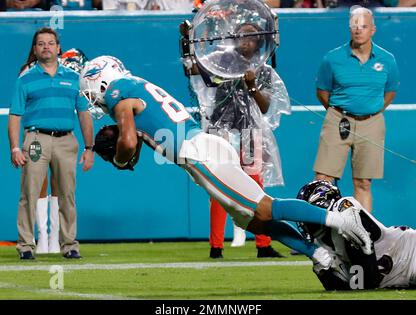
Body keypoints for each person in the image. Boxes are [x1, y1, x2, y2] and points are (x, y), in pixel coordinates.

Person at [80, 55, 373, 270]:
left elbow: (129, 143)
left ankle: (340, 219)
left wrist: (119, 161)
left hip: (200, 154)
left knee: (265, 207)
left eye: (90, 89)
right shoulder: (134, 85)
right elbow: (143, 135)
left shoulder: (118, 91)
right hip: (203, 148)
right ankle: (320, 255)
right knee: (256, 221)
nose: (92, 98)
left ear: (101, 80)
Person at [190, 22, 289, 259]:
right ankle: (216, 247)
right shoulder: (222, 60)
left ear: (259, 41)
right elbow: (195, 69)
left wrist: (252, 86)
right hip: (221, 127)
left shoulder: (263, 70)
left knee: (255, 185)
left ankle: (263, 245)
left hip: (250, 130)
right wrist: (189, 42)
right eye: (241, 36)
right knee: (218, 185)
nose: (245, 41)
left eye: (251, 37)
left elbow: (265, 108)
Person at [8, 27, 94, 260]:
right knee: (29, 193)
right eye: (41, 43)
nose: (46, 47)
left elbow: (84, 113)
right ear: (35, 49)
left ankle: (69, 245)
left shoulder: (73, 79)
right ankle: (26, 245)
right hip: (36, 140)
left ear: (58, 48)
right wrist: (15, 147)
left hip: (66, 141)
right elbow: (15, 115)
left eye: (50, 43)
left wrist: (89, 148)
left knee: (67, 194)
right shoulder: (25, 80)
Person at [313, 6, 399, 213]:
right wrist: (341, 113)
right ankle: (321, 238)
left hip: (372, 122)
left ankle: (363, 238)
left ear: (373, 30)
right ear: (349, 29)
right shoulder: (332, 58)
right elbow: (322, 92)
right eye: (354, 26)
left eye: (363, 26)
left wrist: (371, 111)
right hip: (338, 119)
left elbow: (390, 92)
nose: (358, 30)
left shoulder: (387, 59)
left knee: (363, 183)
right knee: (323, 181)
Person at [297, 180, 416, 290]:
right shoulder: (320, 243)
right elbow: (345, 288)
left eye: (311, 211)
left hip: (410, 254)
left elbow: (368, 281)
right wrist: (324, 272)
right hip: (396, 276)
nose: (308, 218)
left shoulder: (344, 208)